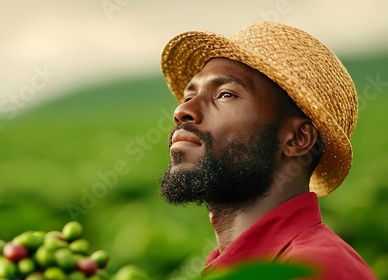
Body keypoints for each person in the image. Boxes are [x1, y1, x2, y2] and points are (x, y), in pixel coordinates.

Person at [159, 21, 376, 279]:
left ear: (297, 139)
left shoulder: (318, 269)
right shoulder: (232, 268)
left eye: (225, 94)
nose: (182, 111)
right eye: (188, 97)